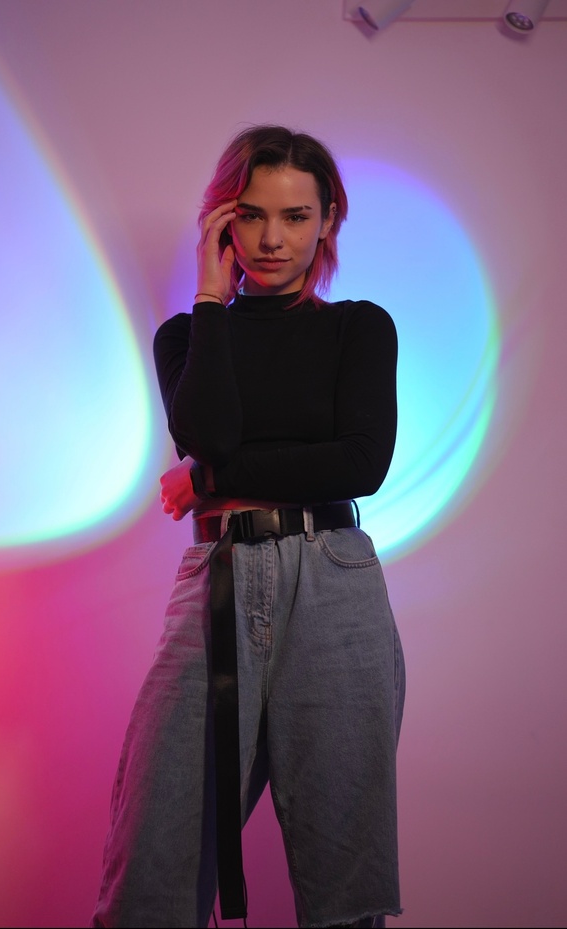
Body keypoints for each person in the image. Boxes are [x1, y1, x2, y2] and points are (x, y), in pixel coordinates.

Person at [91, 124, 406, 929]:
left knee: (344, 880)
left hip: (332, 580)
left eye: (295, 216)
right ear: (221, 221)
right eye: (252, 214)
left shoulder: (359, 328)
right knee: (151, 867)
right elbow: (211, 432)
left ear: (327, 221)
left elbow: (360, 463)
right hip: (219, 580)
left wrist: (209, 481)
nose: (272, 239)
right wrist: (208, 294)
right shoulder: (187, 337)